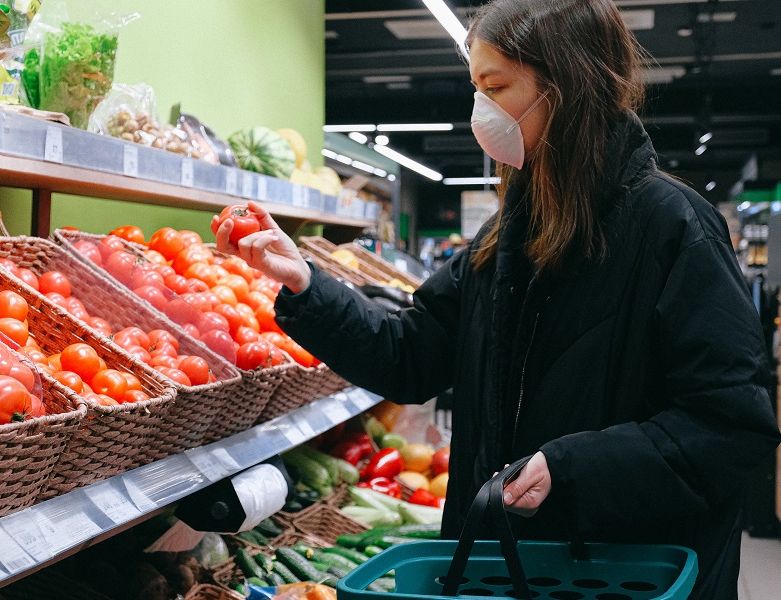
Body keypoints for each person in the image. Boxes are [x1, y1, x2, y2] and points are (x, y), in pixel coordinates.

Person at [213, 1, 781, 597]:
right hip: (511, 569)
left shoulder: (673, 229)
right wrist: (304, 279)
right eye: (475, 86)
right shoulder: (508, 234)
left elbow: (731, 427)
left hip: (624, 575)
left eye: (496, 86)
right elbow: (410, 354)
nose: (479, 109)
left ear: (568, 89)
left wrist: (572, 469)